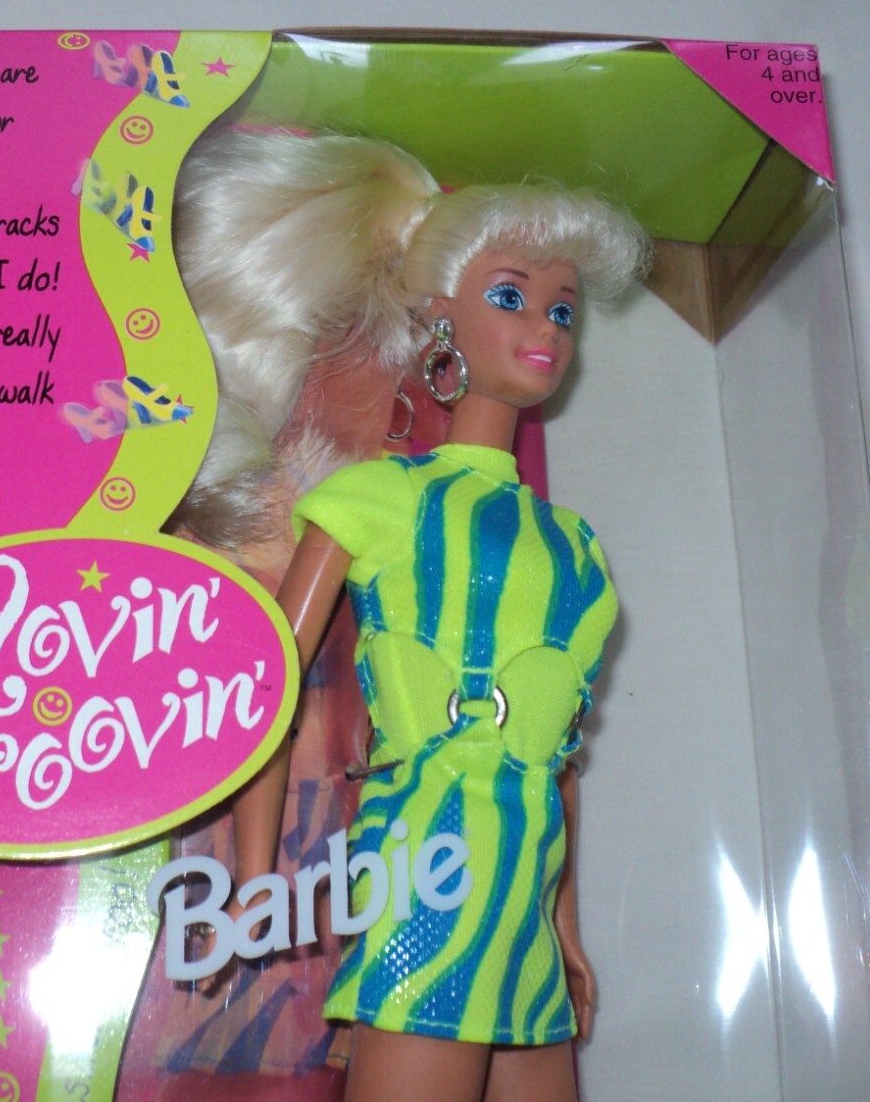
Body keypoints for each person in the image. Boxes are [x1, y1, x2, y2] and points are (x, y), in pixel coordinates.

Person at [204, 133, 649, 1102]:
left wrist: (564, 926)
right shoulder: (379, 498)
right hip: (426, 886)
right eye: (510, 297)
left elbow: (556, 758)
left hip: (523, 901)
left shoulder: (574, 549)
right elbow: (268, 696)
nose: (546, 328)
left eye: (562, 309)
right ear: (440, 318)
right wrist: (252, 880)